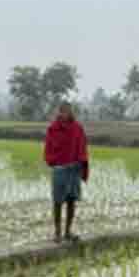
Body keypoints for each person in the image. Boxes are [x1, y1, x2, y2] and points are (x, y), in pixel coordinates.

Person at [43, 102, 89, 243]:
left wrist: (82, 163)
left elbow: (82, 146)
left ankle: (68, 231)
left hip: (74, 168)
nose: (63, 114)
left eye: (66, 111)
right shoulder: (53, 129)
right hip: (59, 169)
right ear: (58, 112)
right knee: (57, 201)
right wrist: (52, 162)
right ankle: (57, 232)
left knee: (71, 201)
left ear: (70, 112)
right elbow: (48, 148)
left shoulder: (77, 128)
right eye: (61, 111)